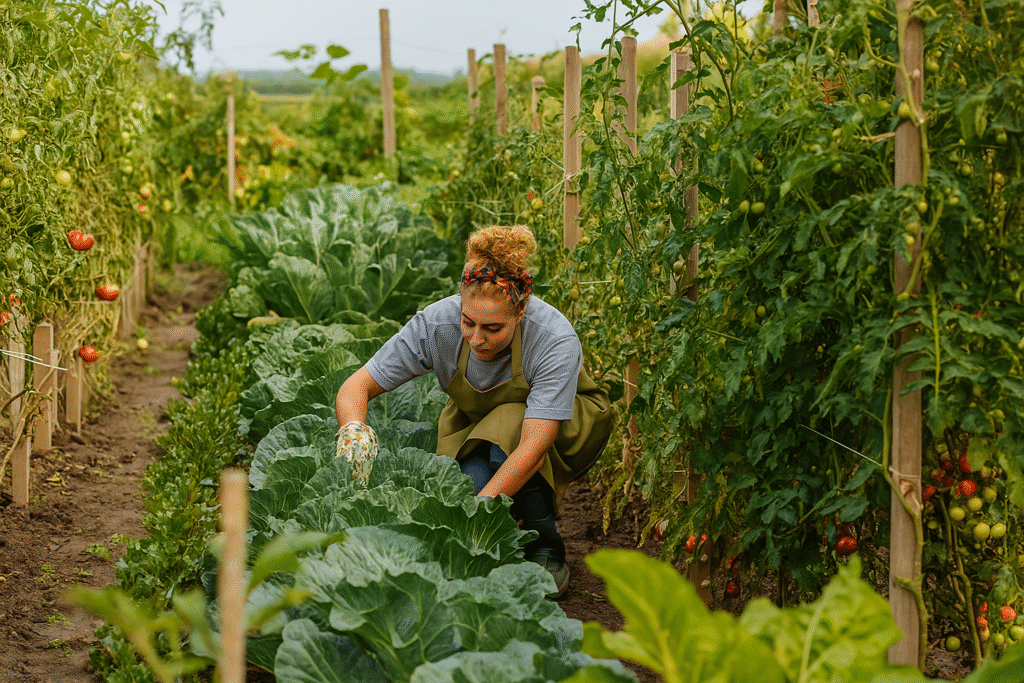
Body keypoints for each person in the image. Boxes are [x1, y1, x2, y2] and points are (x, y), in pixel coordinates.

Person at [334, 224, 613, 598]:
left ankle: (546, 547)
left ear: (520, 312)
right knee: (473, 482)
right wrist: (354, 432)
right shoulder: (436, 324)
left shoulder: (552, 338)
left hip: (563, 427)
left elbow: (532, 448)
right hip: (476, 421)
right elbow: (356, 386)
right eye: (468, 323)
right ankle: (510, 536)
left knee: (507, 443)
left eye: (493, 328)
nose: (477, 338)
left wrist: (477, 513)